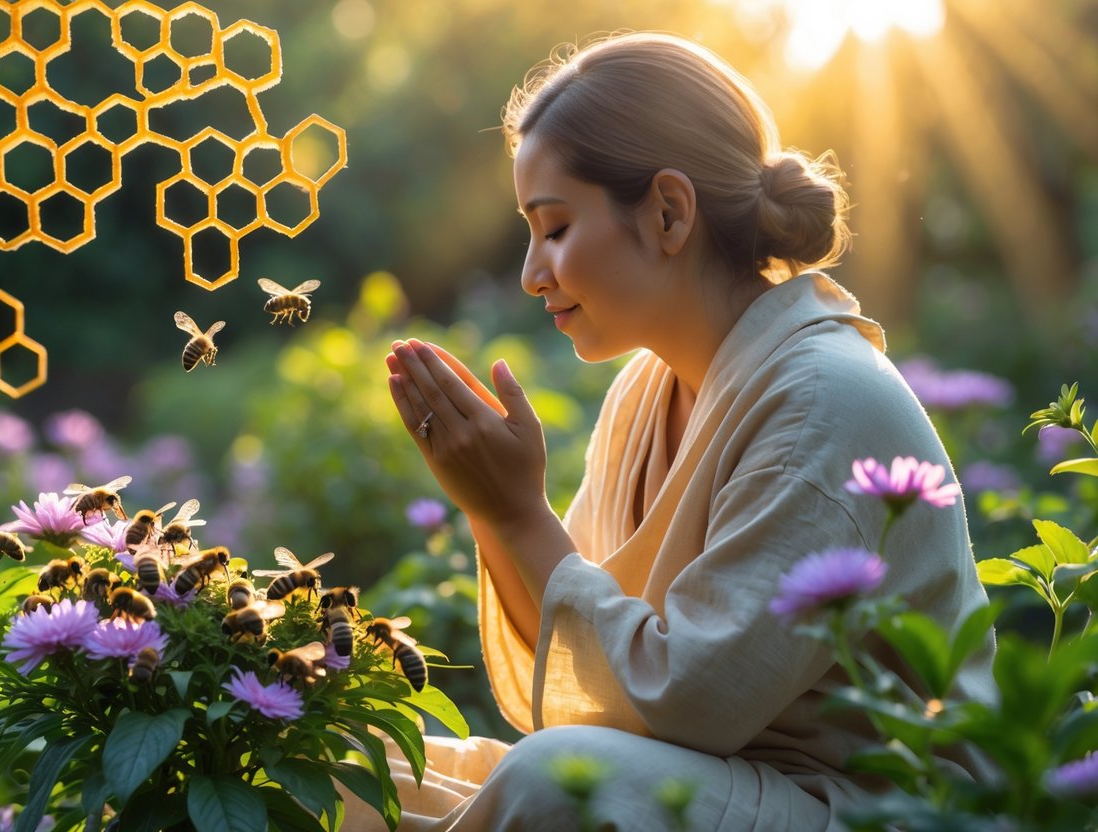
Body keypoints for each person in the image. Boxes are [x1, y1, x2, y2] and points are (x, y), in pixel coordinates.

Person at [370, 31, 996, 831]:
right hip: (710, 777)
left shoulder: (822, 401)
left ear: (668, 212)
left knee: (549, 785)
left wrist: (521, 513)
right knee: (364, 769)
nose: (531, 273)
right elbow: (586, 679)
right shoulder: (646, 389)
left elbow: (690, 704)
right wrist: (491, 510)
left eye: (554, 228)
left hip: (875, 805)